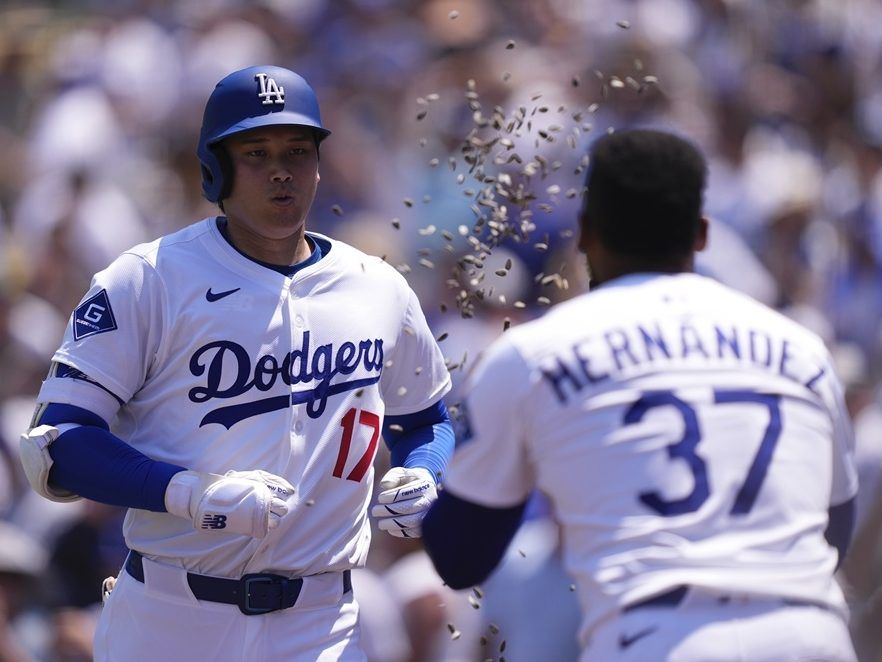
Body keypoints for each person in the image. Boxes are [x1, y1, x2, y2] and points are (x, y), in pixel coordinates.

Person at [18, 65, 454, 662]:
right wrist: (190, 495)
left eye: (298, 151)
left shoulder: (376, 286)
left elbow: (426, 417)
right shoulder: (149, 279)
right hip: (171, 618)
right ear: (215, 169)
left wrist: (425, 470)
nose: (281, 170)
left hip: (323, 622)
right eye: (256, 152)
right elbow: (57, 444)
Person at [422, 129, 859, 661]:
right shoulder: (801, 347)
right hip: (811, 633)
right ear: (700, 234)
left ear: (584, 232)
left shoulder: (534, 352)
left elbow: (460, 558)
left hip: (659, 635)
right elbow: (834, 531)